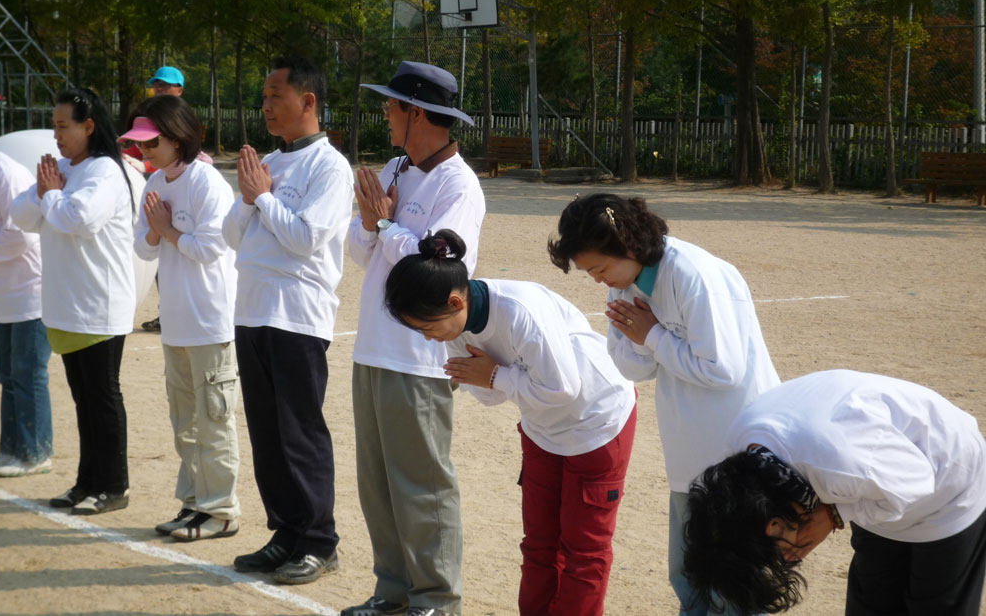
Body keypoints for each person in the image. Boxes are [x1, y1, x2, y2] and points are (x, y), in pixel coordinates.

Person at [547, 193, 780, 616]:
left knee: (734, 584)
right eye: (591, 272)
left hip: (737, 448)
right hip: (689, 449)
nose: (598, 280)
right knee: (688, 575)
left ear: (629, 246)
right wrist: (644, 339)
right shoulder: (624, 283)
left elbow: (723, 369)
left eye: (599, 268)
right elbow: (631, 367)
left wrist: (653, 335)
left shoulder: (693, 274)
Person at [385, 229, 637, 616]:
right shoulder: (455, 326)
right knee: (539, 544)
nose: (428, 338)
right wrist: (490, 379)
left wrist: (493, 375)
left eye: (427, 327)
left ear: (455, 302)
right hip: (542, 427)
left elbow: (563, 389)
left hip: (597, 420)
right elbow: (493, 397)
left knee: (583, 550)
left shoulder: (521, 310)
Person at [343, 61, 485, 616]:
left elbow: (441, 267)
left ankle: (437, 600)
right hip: (373, 348)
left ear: (418, 113)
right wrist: (370, 224)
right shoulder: (397, 166)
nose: (385, 113)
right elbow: (364, 254)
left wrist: (385, 226)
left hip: (417, 356)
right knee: (377, 484)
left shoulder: (458, 184)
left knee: (423, 485)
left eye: (391, 105)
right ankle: (393, 592)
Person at [684, 369, 986, 616]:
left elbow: (917, 482)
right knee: (872, 603)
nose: (787, 557)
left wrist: (834, 514)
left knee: (936, 606)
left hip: (948, 483)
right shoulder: (742, 453)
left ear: (773, 525)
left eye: (778, 553)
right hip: (873, 485)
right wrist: (835, 511)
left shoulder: (841, 463)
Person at [222, 56, 353, 584]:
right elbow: (232, 235)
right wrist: (251, 198)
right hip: (251, 309)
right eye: (264, 96)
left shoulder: (330, 166)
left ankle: (319, 541)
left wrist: (263, 198)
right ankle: (286, 533)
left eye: (276, 95)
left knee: (300, 433)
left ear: (308, 101)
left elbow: (305, 238)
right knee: (267, 434)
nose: (266, 105)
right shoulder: (269, 161)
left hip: (298, 315)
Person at [11, 87, 136, 514]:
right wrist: (45, 191)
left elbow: (78, 218)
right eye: (54, 126)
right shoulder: (61, 170)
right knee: (84, 399)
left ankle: (114, 485)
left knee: (102, 397)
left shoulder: (105, 171)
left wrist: (50, 195)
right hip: (66, 305)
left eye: (63, 126)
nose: (56, 135)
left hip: (98, 305)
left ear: (89, 127)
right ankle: (87, 482)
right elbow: (21, 215)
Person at [124, 95, 240, 541]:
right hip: (174, 323)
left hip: (209, 321)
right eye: (140, 144)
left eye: (151, 143)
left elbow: (211, 247)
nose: (144, 151)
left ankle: (221, 510)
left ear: (177, 138)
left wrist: (167, 229)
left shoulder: (207, 182)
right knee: (185, 423)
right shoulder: (155, 182)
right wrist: (158, 231)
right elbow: (142, 247)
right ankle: (194, 504)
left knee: (214, 421)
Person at [0, 134, 53, 478]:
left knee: (28, 373)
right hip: (3, 291)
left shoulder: (5, 174)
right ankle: (11, 450)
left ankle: (35, 453)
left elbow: (21, 235)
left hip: (30, 290)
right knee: (7, 374)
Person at [132, 65, 185, 333]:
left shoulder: (181, 119)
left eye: (165, 85)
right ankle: (167, 313)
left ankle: (175, 313)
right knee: (159, 256)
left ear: (179, 90)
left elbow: (186, 156)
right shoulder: (147, 116)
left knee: (179, 256)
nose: (159, 89)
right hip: (155, 190)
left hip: (178, 191)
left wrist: (145, 166)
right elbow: (135, 151)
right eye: (156, 84)